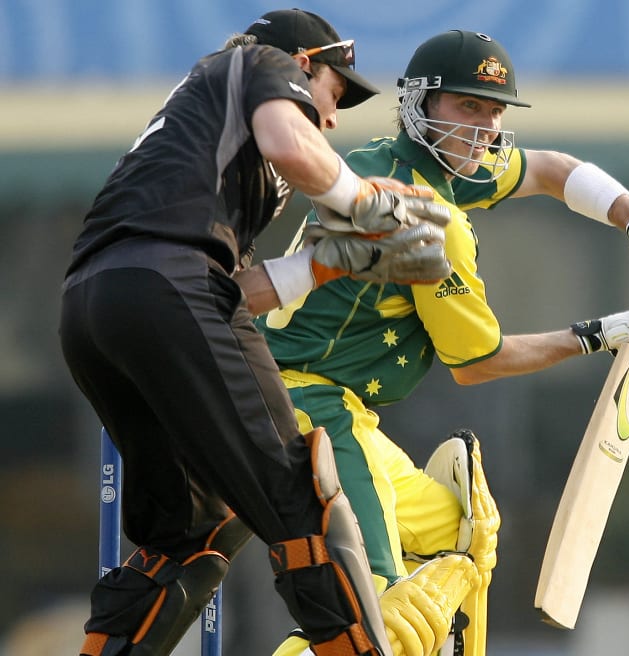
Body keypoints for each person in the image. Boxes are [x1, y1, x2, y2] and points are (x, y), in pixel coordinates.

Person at [266, 30, 629, 656]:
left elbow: (555, 170)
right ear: (419, 107)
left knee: (461, 534)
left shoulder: (412, 163)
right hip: (307, 411)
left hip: (332, 411)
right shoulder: (426, 215)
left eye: (495, 110)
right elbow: (477, 362)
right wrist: (609, 334)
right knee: (378, 618)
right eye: (466, 107)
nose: (484, 128)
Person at [59, 9, 455, 656]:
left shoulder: (201, 140)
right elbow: (287, 141)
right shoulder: (257, 63)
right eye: (333, 92)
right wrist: (366, 201)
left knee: (193, 534)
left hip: (94, 308)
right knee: (305, 496)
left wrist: (329, 263)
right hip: (166, 289)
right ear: (304, 65)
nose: (332, 118)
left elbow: (228, 293)